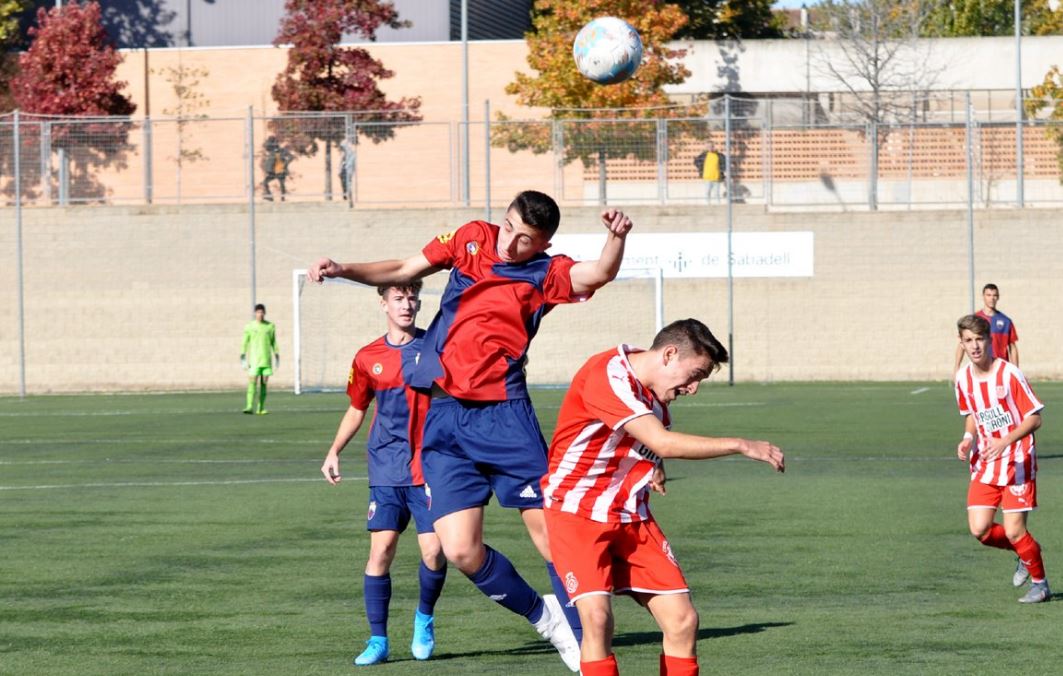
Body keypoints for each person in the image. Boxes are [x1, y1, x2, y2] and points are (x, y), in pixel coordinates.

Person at [308, 190, 634, 672]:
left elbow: (600, 272)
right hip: (444, 419)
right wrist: (343, 270)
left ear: (543, 242)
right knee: (459, 549)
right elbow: (403, 269)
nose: (511, 243)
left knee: (552, 539)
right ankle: (546, 618)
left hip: (505, 417)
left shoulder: (546, 273)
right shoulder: (470, 239)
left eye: (526, 239)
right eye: (509, 227)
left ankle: (588, 646)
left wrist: (614, 239)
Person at [542, 319, 785, 676]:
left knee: (683, 620)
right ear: (670, 354)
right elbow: (662, 442)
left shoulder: (655, 394)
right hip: (576, 513)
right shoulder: (608, 375)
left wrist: (651, 467)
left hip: (630, 515)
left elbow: (643, 443)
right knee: (597, 619)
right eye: (695, 374)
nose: (694, 388)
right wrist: (741, 444)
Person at [320, 281, 447, 666]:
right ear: (383, 305)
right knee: (382, 551)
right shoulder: (367, 357)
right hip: (386, 467)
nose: (406, 304)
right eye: (398, 298)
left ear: (419, 302)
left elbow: (458, 392)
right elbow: (358, 408)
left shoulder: (435, 348)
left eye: (411, 297)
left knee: (435, 552)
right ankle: (378, 640)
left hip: (430, 465)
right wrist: (333, 451)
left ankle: (424, 618)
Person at [954, 313, 1049, 604]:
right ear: (962, 343)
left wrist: (1005, 440)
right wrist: (968, 438)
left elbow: (1034, 419)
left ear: (989, 340)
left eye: (979, 339)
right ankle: (1025, 551)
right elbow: (971, 414)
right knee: (979, 529)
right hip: (986, 461)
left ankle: (1041, 585)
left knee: (1014, 529)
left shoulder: (1009, 374)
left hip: (1017, 460)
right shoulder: (963, 379)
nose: (975, 346)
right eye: (968, 341)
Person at [954, 283, 1019, 371]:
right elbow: (962, 343)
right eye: (988, 295)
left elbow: (1012, 347)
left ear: (998, 297)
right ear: (983, 296)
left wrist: (1016, 369)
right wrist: (956, 366)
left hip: (1001, 367)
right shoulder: (975, 319)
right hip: (980, 367)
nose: (992, 298)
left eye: (994, 295)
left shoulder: (1006, 321)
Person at [240, 303, 278, 415]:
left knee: (264, 382)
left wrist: (277, 353)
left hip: (266, 360)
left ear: (264, 313)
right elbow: (245, 342)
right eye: (258, 312)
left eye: (262, 312)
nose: (260, 314)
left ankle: (260, 408)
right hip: (254, 360)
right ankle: (249, 406)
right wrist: (242, 355)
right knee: (252, 381)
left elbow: (273, 342)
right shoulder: (249, 327)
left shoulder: (270, 326)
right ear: (255, 313)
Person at [262, 136, 292, 202]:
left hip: (280, 170)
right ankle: (269, 197)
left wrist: (285, 164)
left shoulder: (282, 150)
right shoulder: (271, 151)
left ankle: (283, 198)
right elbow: (265, 146)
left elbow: (291, 157)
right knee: (265, 183)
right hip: (272, 171)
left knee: (282, 184)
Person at [340, 136, 357, 203]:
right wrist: (340, 170)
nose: (342, 148)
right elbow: (341, 162)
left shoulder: (352, 153)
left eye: (342, 147)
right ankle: (345, 195)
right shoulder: (344, 153)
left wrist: (350, 171)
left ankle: (350, 200)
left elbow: (352, 164)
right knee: (343, 184)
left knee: (348, 185)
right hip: (344, 170)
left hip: (348, 170)